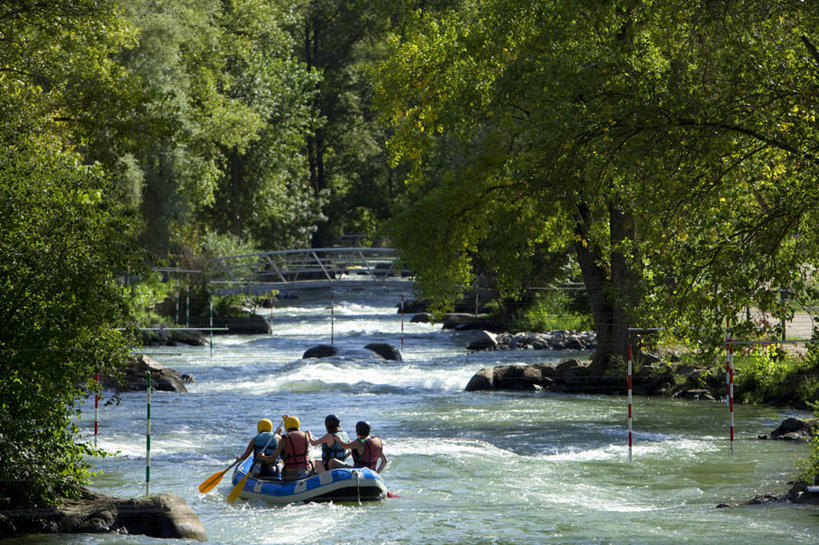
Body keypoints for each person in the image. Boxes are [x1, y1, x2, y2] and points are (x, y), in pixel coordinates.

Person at [261, 415, 314, 481]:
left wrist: (262, 456)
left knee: (279, 463)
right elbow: (295, 443)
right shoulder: (306, 436)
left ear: (286, 426)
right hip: (306, 472)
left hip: (290, 475)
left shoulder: (284, 439)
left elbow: (272, 459)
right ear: (298, 425)